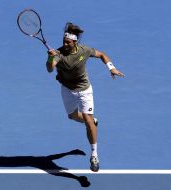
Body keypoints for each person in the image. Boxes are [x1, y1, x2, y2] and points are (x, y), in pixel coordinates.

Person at [46, 22, 125, 172]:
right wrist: (51, 58)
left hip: (84, 90)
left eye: (67, 42)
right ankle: (93, 121)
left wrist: (112, 68)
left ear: (75, 42)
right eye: (63, 41)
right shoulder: (58, 54)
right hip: (67, 89)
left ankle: (94, 154)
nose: (64, 44)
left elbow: (102, 54)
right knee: (72, 116)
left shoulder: (84, 51)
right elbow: (50, 69)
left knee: (88, 121)